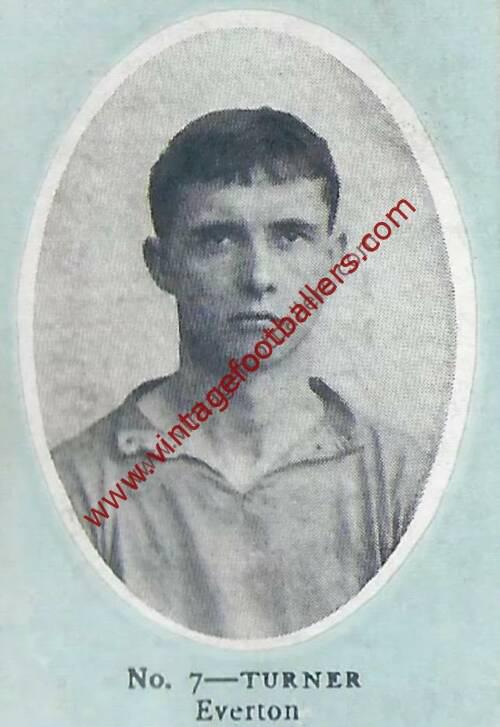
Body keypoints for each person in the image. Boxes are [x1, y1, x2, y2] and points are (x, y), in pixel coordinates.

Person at [52, 107, 430, 639]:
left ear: (334, 260)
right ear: (161, 265)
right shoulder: (75, 487)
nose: (258, 277)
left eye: (290, 236)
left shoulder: (405, 484)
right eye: (219, 240)